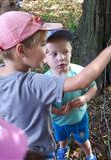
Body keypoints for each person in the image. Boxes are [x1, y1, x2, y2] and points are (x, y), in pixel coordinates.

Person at [0, 11, 111, 158]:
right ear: (21, 50)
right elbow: (83, 81)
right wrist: (110, 50)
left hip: (15, 150)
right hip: (40, 154)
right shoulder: (34, 83)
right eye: (43, 44)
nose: (45, 52)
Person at [45, 29, 97, 160]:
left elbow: (93, 87)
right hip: (59, 121)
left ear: (71, 52)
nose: (61, 57)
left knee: (83, 140)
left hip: (78, 119)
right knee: (61, 137)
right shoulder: (44, 81)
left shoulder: (80, 72)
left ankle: (89, 155)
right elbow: (43, 104)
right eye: (54, 54)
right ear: (44, 58)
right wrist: (56, 110)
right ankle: (63, 148)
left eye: (65, 52)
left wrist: (85, 97)